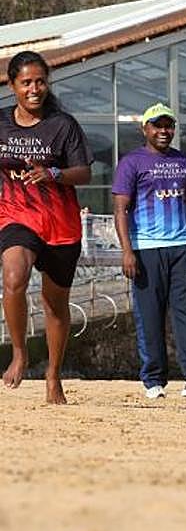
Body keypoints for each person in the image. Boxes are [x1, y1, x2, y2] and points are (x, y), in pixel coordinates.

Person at [0, 51, 92, 404]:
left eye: (40, 81)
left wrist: (53, 173)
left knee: (55, 305)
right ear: (12, 86)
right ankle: (20, 352)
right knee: (13, 277)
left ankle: (53, 376)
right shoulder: (1, 122)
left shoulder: (62, 124)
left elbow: (83, 172)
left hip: (60, 225)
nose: (34, 89)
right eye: (26, 82)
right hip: (16, 216)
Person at [112, 102, 186, 400]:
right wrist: (127, 251)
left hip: (181, 248)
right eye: (157, 125)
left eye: (168, 125)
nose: (163, 131)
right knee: (150, 315)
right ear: (145, 129)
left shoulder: (183, 161)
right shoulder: (131, 162)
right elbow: (120, 209)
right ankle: (153, 379)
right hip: (146, 249)